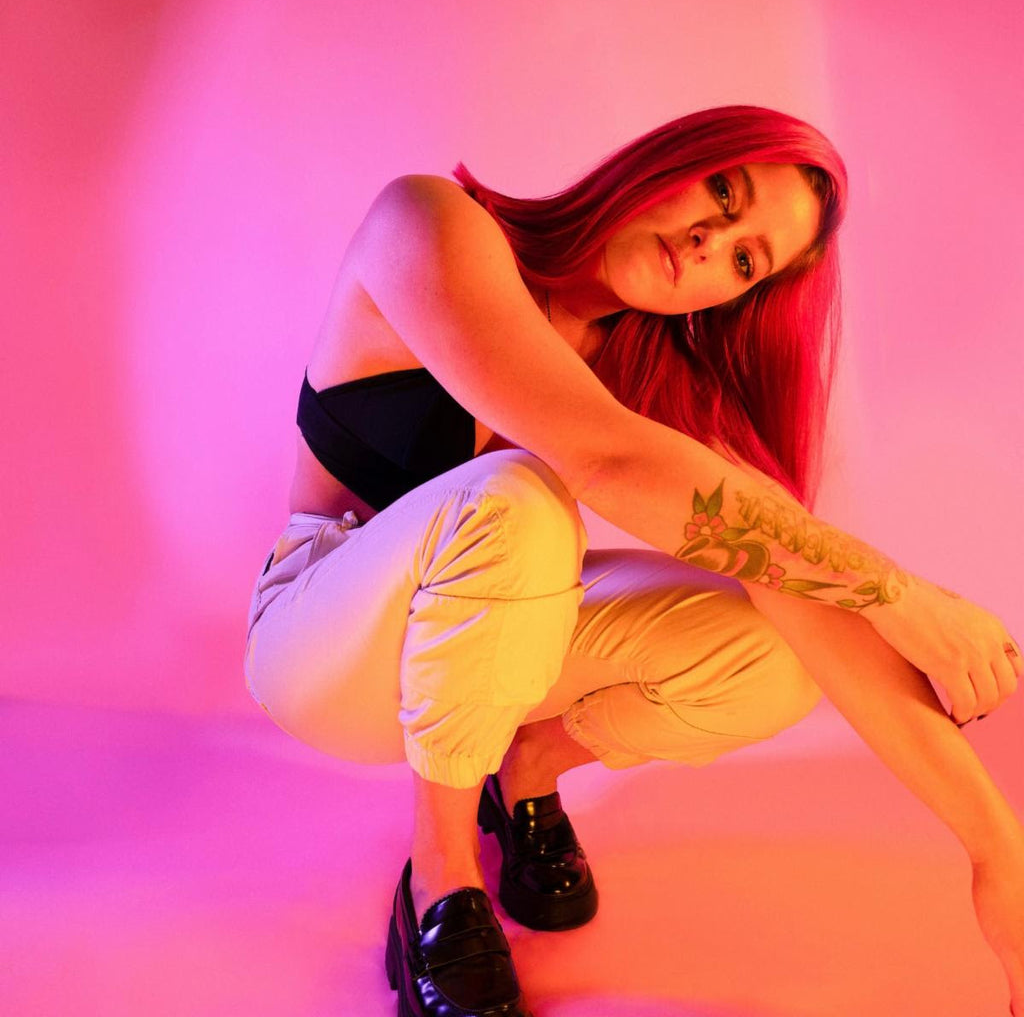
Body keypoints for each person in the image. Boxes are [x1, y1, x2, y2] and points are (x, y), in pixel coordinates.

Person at [244, 105, 1024, 1017]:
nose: (707, 243)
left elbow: (795, 574)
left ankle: (527, 768)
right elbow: (601, 457)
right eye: (724, 193)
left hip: (475, 665)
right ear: (673, 160)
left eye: (745, 261)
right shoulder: (428, 220)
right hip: (322, 646)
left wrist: (995, 850)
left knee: (778, 641)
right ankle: (441, 878)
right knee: (519, 495)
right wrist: (902, 594)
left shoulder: (652, 378)